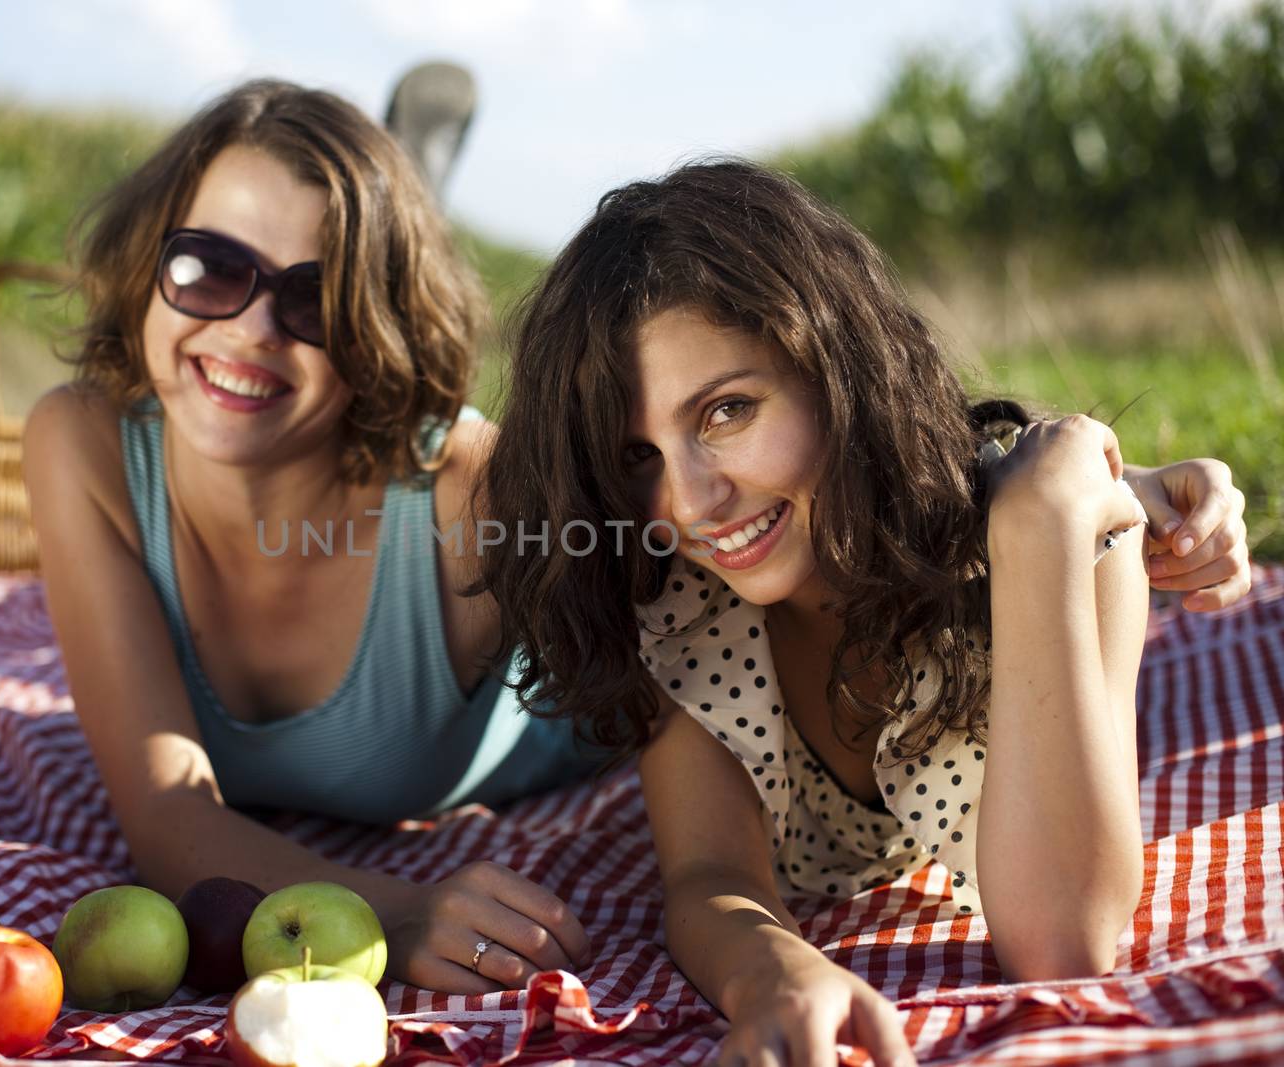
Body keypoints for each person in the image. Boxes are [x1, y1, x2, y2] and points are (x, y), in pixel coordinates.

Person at [476, 159, 1252, 1062]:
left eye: (728, 410)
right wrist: (775, 970)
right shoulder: (673, 601)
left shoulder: (1071, 538)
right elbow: (710, 874)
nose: (689, 501)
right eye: (637, 453)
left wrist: (1041, 522)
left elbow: (1063, 942)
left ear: (836, 367)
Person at [21, 80, 602, 995]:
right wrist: (397, 913)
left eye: (316, 300)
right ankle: (396, 187)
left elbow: (695, 638)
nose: (248, 330)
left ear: (373, 328)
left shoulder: (470, 490)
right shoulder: (83, 443)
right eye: (210, 267)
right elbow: (172, 821)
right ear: (148, 264)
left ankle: (402, 197)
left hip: (556, 730)